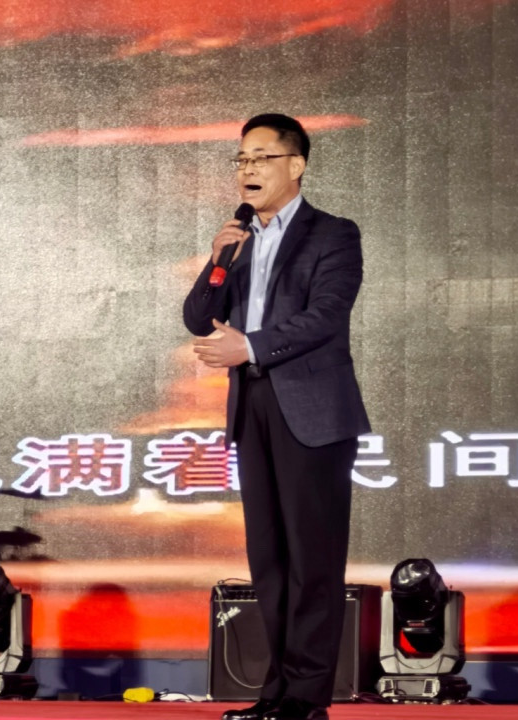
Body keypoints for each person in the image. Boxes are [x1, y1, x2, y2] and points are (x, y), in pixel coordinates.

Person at [183, 113, 370, 720]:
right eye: (241, 159)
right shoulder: (237, 241)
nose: (248, 169)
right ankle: (276, 694)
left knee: (312, 561)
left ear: (296, 165)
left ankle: (307, 699)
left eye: (261, 157)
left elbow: (326, 315)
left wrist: (251, 347)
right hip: (253, 406)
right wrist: (217, 260)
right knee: (269, 561)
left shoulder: (333, 234)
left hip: (312, 411)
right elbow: (197, 317)